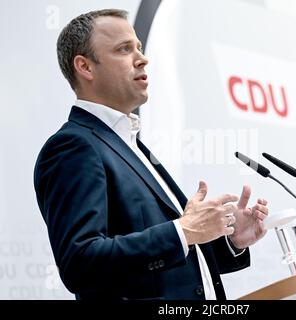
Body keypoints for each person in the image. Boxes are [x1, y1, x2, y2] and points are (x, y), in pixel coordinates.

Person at [34, 9, 269, 300]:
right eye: (123, 49)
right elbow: (81, 261)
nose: (142, 58)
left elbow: (170, 263)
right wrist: (183, 231)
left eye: (139, 48)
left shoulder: (130, 143)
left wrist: (229, 240)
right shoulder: (73, 146)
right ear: (85, 67)